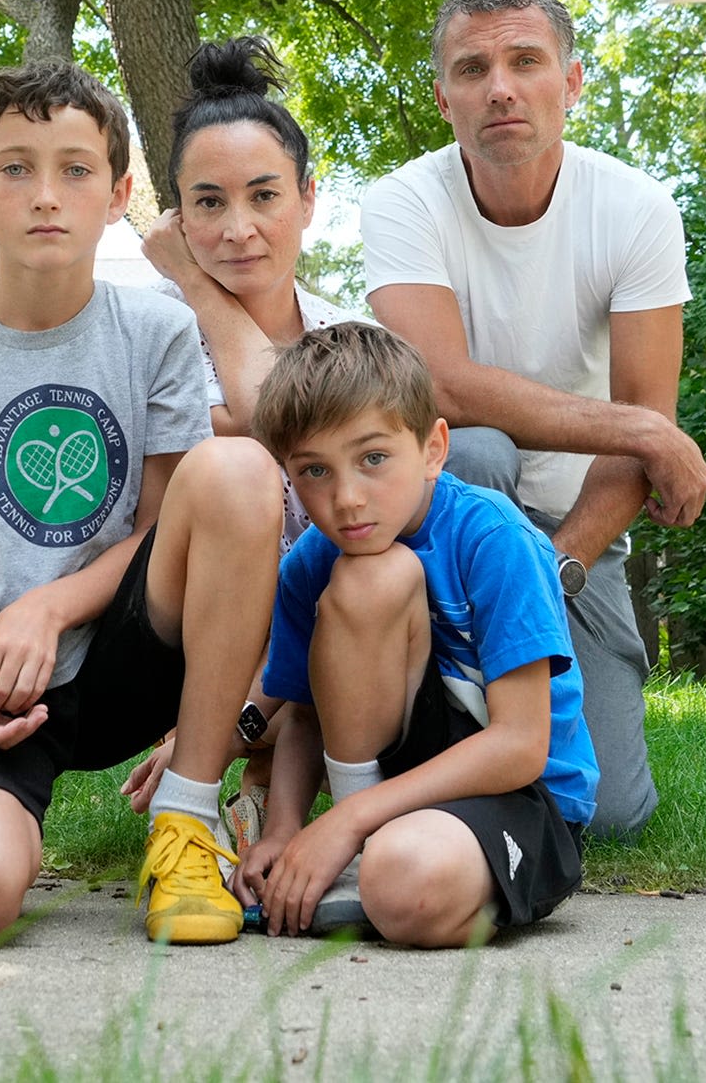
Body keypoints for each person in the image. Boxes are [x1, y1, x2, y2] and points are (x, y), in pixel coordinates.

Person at [0, 60, 284, 947]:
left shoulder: (157, 332)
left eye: (76, 169)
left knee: (236, 469)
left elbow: (164, 528)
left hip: (126, 655)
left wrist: (53, 601)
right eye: (15, 168)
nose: (47, 194)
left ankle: (188, 823)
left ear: (119, 194)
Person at [359, 0, 706, 841]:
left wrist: (550, 574)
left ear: (572, 81)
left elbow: (639, 460)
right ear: (445, 98)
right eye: (473, 68)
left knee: (615, 816)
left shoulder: (635, 209)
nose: (501, 87)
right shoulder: (404, 203)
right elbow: (435, 385)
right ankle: (421, 754)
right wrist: (638, 427)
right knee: (471, 448)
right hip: (442, 518)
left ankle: (489, 745)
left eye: (525, 60)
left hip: (575, 532)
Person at [238, 322, 598, 945]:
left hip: (518, 791)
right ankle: (361, 858)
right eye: (314, 471)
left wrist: (348, 819)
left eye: (373, 458)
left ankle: (382, 860)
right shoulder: (310, 563)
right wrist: (283, 830)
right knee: (368, 579)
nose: (347, 498)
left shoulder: (494, 539)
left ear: (433, 448)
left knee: (406, 885)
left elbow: (520, 745)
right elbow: (301, 715)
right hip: (394, 787)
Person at [120, 37, 358, 843]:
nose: (237, 229)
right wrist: (188, 288)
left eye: (264, 196)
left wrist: (238, 722)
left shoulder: (349, 336)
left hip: (324, 638)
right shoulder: (142, 327)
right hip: (175, 628)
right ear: (176, 215)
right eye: (209, 203)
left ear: (308, 198)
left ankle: (257, 782)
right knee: (243, 474)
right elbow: (267, 429)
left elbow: (275, 414)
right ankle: (230, 778)